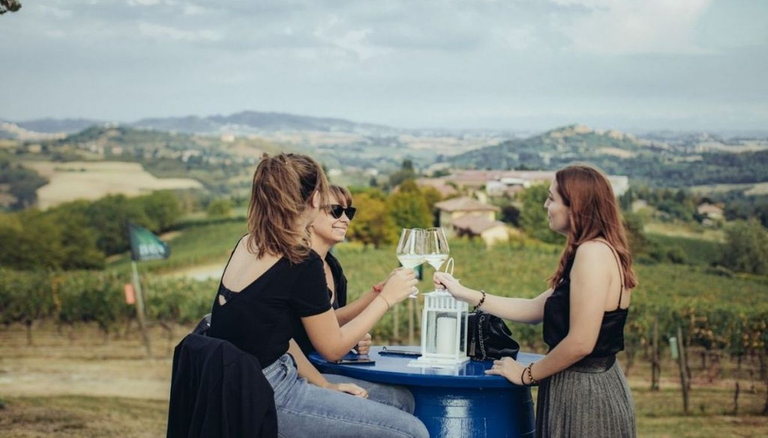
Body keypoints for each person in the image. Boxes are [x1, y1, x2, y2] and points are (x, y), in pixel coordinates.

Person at [209, 153, 429, 438]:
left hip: (244, 382)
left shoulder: (249, 243)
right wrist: (386, 299)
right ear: (314, 199)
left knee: (401, 400)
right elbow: (333, 349)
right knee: (413, 432)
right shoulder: (301, 260)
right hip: (268, 394)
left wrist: (324, 386)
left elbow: (277, 338)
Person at [435, 163, 637, 438]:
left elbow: (581, 343)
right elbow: (534, 309)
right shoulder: (597, 250)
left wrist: (526, 374)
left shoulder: (593, 254)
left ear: (575, 206)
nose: (545, 205)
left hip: (585, 395)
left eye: (552, 198)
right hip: (582, 385)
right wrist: (464, 292)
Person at [291, 184, 415, 412]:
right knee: (399, 400)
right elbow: (318, 336)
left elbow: (330, 321)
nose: (345, 219)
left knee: (403, 395)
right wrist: (383, 298)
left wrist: (356, 332)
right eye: (336, 211)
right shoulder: (299, 265)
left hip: (323, 366)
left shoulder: (333, 267)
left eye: (349, 212)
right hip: (300, 373)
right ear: (310, 211)